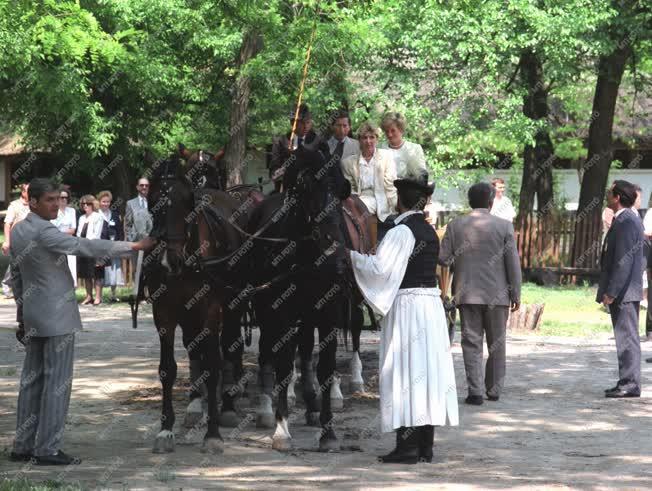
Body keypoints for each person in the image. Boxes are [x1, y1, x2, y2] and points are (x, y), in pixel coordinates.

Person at [9, 178, 154, 465]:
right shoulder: (43, 231)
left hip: (34, 315)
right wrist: (135, 246)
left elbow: (16, 276)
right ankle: (47, 449)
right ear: (33, 202)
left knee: (31, 381)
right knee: (57, 382)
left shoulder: (18, 230)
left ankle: (22, 446)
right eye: (50, 200)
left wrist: (21, 313)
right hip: (57, 317)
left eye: (58, 199)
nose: (56, 204)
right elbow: (83, 246)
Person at [348, 169, 458, 464]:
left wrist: (349, 257)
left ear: (400, 200)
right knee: (426, 372)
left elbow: (380, 270)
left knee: (405, 371)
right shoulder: (427, 231)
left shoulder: (401, 231)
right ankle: (425, 445)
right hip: (430, 307)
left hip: (409, 307)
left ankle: (407, 447)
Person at [439, 182, 521, 405]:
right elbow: (513, 263)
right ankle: (493, 390)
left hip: (467, 294)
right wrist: (516, 293)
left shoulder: (455, 225)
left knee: (471, 342)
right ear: (491, 201)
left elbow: (443, 258)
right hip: (498, 295)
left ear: (469, 201)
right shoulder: (504, 227)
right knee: (497, 343)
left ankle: (474, 392)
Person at [598, 180, 645, 398]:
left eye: (610, 193)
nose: (607, 195)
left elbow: (623, 261)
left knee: (627, 338)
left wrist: (612, 291)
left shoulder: (626, 221)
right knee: (625, 337)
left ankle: (630, 384)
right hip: (626, 290)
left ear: (617, 197)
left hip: (624, 291)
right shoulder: (626, 219)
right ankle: (626, 380)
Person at [341, 122, 397, 247]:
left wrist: (395, 207)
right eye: (364, 138)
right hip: (360, 199)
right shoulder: (348, 163)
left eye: (372, 137)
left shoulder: (386, 156)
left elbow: (390, 186)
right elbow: (352, 192)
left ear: (377, 139)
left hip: (382, 198)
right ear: (359, 140)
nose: (368, 141)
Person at [270, 104, 324, 191]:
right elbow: (274, 169)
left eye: (308, 122)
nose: (306, 126)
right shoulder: (280, 142)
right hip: (287, 190)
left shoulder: (318, 141)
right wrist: (277, 173)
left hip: (313, 191)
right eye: (302, 123)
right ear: (292, 123)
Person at [2, 183, 30, 298]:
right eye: (29, 191)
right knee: (15, 263)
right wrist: (7, 241)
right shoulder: (14, 206)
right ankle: (7, 286)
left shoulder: (34, 205)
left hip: (30, 240)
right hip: (17, 239)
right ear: (23, 192)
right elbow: (7, 224)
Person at [378, 112, 427, 179]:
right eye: (387, 131)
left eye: (393, 131)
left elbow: (421, 177)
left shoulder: (414, 149)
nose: (389, 134)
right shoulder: (379, 148)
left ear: (401, 129)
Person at [76, 195, 105, 305]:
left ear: (93, 205)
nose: (85, 206)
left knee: (97, 273)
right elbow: (79, 233)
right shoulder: (81, 218)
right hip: (83, 248)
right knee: (86, 274)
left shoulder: (98, 216)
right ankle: (89, 296)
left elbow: (96, 234)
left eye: (87, 204)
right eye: (83, 204)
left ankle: (98, 297)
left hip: (94, 247)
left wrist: (88, 243)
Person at [97, 190, 124, 302]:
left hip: (114, 246)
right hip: (100, 246)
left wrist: (120, 243)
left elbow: (120, 231)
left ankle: (113, 295)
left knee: (114, 270)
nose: (106, 204)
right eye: (103, 201)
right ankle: (100, 296)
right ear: (99, 202)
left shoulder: (115, 214)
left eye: (108, 202)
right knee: (101, 270)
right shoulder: (96, 214)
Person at [125, 177, 152, 284]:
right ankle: (138, 295)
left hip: (152, 241)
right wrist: (130, 239)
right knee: (137, 269)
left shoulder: (154, 201)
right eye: (142, 185)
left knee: (151, 268)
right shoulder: (130, 203)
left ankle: (150, 294)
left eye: (146, 185)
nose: (144, 187)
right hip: (137, 242)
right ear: (137, 187)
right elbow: (128, 224)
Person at [50, 188, 77, 286]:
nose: (64, 199)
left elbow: (73, 229)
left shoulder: (72, 211)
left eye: (66, 197)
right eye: (61, 197)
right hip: (56, 242)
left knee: (71, 265)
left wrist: (61, 231)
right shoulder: (53, 210)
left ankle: (71, 287)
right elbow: (52, 229)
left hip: (69, 241)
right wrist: (64, 232)